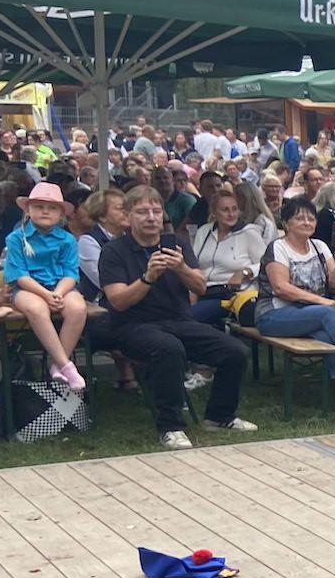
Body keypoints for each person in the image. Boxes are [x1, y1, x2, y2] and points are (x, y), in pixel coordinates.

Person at [99, 187, 254, 449]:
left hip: (179, 321)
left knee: (235, 350)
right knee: (169, 348)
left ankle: (219, 416)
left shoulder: (178, 244)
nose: (151, 217)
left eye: (156, 211)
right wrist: (148, 277)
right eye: (142, 212)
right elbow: (118, 301)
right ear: (128, 217)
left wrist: (181, 268)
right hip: (132, 326)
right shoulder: (114, 251)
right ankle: (170, 427)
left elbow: (201, 288)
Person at [254, 196, 335, 418]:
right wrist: (321, 301)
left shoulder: (320, 246)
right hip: (274, 314)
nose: (307, 222)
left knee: (330, 338)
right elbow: (281, 288)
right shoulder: (278, 247)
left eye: (311, 218)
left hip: (309, 315)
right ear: (286, 224)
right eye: (300, 218)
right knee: (327, 313)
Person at [3, 183, 89, 390]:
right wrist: (45, 294)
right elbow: (19, 275)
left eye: (51, 208)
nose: (45, 211)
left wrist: (58, 293)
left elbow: (71, 272)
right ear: (28, 209)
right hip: (27, 288)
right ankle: (66, 365)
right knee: (36, 308)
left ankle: (56, 364)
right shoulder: (16, 238)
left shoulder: (67, 239)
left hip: (60, 286)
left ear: (61, 213)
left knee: (78, 308)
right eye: (39, 206)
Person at [189, 189, 267, 326]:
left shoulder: (249, 233)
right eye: (225, 210)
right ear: (214, 212)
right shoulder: (204, 232)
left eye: (234, 209)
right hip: (204, 291)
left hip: (231, 294)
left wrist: (244, 271)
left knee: (192, 317)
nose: (231, 214)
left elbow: (266, 264)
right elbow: (194, 264)